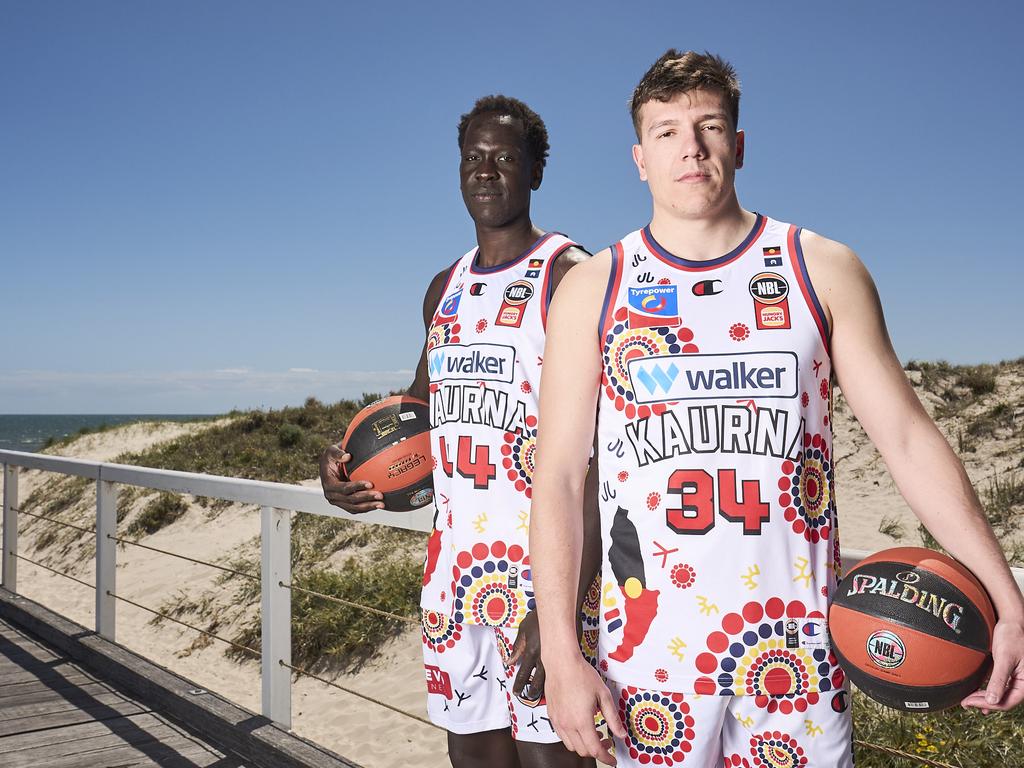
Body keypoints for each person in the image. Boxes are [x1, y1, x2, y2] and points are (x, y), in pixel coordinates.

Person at [529, 50, 1024, 767]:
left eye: (709, 126)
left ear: (739, 142)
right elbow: (558, 480)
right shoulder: (593, 286)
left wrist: (1007, 598)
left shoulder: (819, 267)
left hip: (798, 655)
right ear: (639, 158)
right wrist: (560, 651)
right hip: (647, 660)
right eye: (666, 131)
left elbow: (907, 441)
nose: (690, 147)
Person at [320, 95, 601, 768]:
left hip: (546, 577)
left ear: (535, 171)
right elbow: (421, 406)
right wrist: (344, 470)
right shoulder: (443, 286)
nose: (486, 171)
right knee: (474, 759)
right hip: (456, 575)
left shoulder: (569, 276)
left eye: (505, 158)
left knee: (553, 759)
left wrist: (559, 612)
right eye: (473, 158)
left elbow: (602, 458)